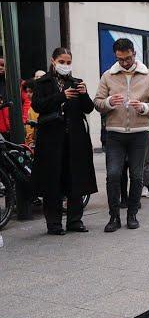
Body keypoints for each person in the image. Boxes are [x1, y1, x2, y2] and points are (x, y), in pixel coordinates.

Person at [94, 38, 149, 232]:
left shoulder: (148, 76)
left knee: (136, 174)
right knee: (113, 174)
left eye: (127, 58)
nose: (124, 62)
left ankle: (132, 214)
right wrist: (108, 102)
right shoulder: (108, 75)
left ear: (134, 53)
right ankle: (113, 217)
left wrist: (143, 107)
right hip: (114, 133)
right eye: (120, 59)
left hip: (139, 133)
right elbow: (97, 102)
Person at [31, 47, 98, 235]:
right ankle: (54, 223)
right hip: (51, 141)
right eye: (62, 62)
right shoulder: (42, 83)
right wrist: (62, 96)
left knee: (75, 179)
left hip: (74, 140)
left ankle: (75, 220)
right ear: (53, 61)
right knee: (53, 181)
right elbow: (37, 106)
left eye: (69, 62)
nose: (65, 66)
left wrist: (84, 94)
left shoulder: (76, 82)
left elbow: (88, 108)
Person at [0, 58, 9, 139]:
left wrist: (23, 119)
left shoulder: (17, 82)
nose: (0, 67)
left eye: (2, 65)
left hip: (12, 123)